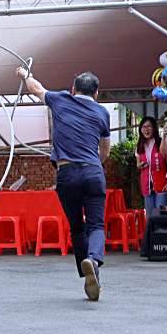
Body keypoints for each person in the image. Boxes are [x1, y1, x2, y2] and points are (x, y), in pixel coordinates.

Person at [16, 67, 110, 301]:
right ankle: (93, 260)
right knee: (96, 225)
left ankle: (85, 270)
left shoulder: (60, 99)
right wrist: (92, 165)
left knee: (77, 226)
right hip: (93, 172)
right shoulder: (102, 113)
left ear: (72, 89)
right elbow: (105, 150)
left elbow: (36, 88)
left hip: (66, 173)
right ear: (96, 93)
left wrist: (24, 74)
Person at [135, 116, 167, 212]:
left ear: (154, 128)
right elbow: (138, 164)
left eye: (149, 126)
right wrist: (140, 165)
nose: (146, 129)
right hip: (147, 185)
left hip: (162, 184)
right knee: (150, 217)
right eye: (144, 127)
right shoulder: (139, 146)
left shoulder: (161, 142)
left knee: (160, 215)